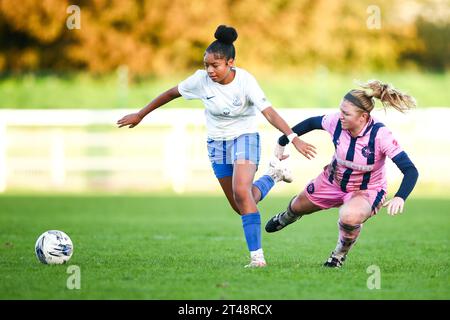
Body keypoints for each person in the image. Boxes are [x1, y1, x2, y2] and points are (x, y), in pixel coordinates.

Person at [117, 25, 316, 268]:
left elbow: (269, 113)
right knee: (240, 204)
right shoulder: (200, 81)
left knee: (242, 193)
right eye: (206, 65)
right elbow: (170, 94)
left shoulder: (246, 81)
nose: (210, 70)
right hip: (216, 143)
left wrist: (293, 137)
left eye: (215, 65)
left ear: (230, 62)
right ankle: (273, 175)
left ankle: (257, 258)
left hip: (244, 138)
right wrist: (141, 114)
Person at [265, 80, 419, 268]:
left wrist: (400, 197)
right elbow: (312, 122)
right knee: (297, 207)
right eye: (340, 111)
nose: (341, 117)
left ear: (363, 117)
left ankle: (338, 255)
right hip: (332, 181)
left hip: (366, 190)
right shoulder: (336, 122)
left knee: (349, 217)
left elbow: (410, 170)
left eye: (346, 113)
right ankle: (287, 217)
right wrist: (283, 141)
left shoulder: (380, 135)